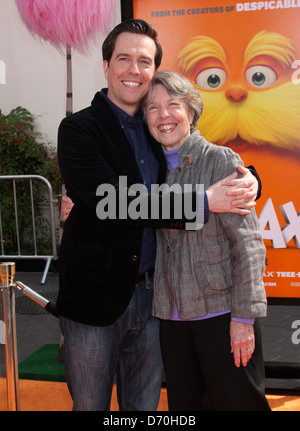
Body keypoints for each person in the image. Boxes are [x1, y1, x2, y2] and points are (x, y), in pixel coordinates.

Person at [56, 19, 262, 411]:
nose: (134, 70)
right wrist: (205, 200)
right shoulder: (78, 128)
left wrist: (250, 179)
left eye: (144, 62)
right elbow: (112, 202)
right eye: (124, 59)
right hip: (94, 301)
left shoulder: (155, 131)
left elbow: (196, 161)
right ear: (105, 65)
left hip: (154, 302)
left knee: (145, 408)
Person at [142, 70, 270, 411]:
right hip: (172, 320)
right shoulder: (150, 170)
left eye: (173, 105)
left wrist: (243, 319)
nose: (163, 115)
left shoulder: (221, 160)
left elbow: (249, 247)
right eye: (152, 108)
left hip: (222, 314)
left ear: (191, 111)